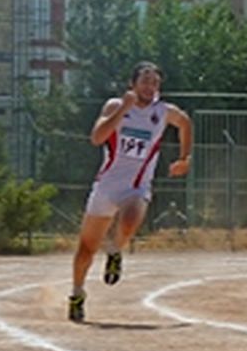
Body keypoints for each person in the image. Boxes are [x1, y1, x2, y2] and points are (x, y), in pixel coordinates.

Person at [68, 61, 192, 323]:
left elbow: (185, 122)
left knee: (132, 216)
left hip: (137, 185)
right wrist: (124, 108)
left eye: (155, 82)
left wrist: (185, 157)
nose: (150, 86)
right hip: (107, 185)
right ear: (132, 84)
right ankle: (77, 293)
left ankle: (114, 251)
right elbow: (97, 138)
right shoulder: (115, 106)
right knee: (86, 249)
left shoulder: (163, 111)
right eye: (145, 81)